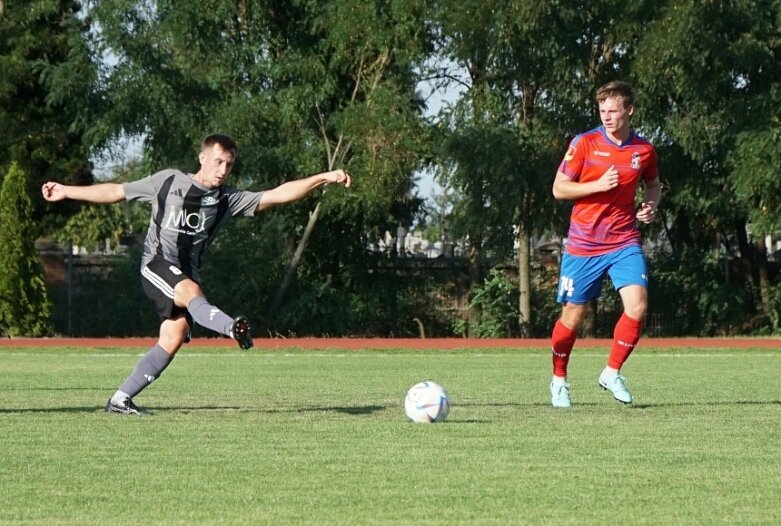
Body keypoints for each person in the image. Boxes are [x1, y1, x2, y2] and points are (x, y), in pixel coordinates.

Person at [42, 134, 351, 415]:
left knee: (173, 336)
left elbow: (278, 195)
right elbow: (116, 191)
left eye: (229, 164)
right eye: (218, 161)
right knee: (191, 292)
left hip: (187, 271)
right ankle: (232, 327)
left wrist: (323, 177)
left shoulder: (226, 200)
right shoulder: (168, 181)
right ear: (202, 157)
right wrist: (67, 191)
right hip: (157, 263)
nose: (223, 169)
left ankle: (120, 400)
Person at [549, 81, 661, 408]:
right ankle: (559, 380)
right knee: (573, 317)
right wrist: (597, 185)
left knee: (637, 306)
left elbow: (653, 185)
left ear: (630, 110)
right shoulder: (584, 143)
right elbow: (559, 189)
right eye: (602, 111)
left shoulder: (643, 150)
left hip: (624, 240)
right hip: (584, 244)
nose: (607, 117)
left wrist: (651, 206)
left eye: (613, 110)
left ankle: (611, 372)